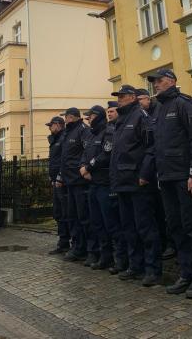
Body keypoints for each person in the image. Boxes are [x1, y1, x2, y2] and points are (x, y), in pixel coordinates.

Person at [148, 68, 192, 299]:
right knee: (175, 227)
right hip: (166, 178)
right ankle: (186, 274)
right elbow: (157, 147)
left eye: (160, 81)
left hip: (185, 178)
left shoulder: (184, 104)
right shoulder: (158, 109)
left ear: (172, 81)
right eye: (154, 82)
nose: (156, 85)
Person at [109, 85, 162, 287]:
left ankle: (152, 269)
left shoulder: (141, 116)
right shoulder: (122, 120)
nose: (119, 100)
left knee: (145, 227)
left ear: (132, 97)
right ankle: (135, 265)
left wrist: (145, 174)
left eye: (121, 96)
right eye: (118, 97)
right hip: (123, 183)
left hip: (138, 182)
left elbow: (151, 147)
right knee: (129, 228)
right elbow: (117, 155)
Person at [80, 105, 127, 272]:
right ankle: (105, 257)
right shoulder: (92, 135)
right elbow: (85, 155)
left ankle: (120, 260)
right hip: (93, 185)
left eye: (90, 116)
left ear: (98, 116)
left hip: (105, 185)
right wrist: (83, 167)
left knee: (111, 224)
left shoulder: (108, 131)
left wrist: (89, 167)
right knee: (97, 223)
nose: (88, 119)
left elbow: (106, 154)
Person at [136, 88, 175, 261]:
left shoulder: (158, 110)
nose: (139, 104)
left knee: (166, 213)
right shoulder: (142, 115)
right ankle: (166, 243)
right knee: (159, 213)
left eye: (140, 100)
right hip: (153, 174)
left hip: (163, 171)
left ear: (147, 99)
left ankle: (171, 245)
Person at [57, 107, 96, 264]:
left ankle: (88, 249)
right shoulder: (68, 132)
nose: (64, 120)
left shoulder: (82, 130)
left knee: (84, 217)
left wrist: (84, 169)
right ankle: (77, 247)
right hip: (69, 181)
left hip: (79, 181)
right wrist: (61, 176)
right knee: (72, 216)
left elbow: (87, 152)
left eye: (65, 117)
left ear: (71, 117)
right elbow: (64, 157)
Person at [46, 116, 70, 255]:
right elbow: (53, 161)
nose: (49, 128)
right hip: (55, 181)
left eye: (51, 125)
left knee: (65, 212)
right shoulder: (55, 139)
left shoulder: (64, 138)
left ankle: (68, 242)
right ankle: (63, 242)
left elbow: (64, 160)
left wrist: (59, 176)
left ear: (58, 125)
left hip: (63, 181)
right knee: (58, 212)